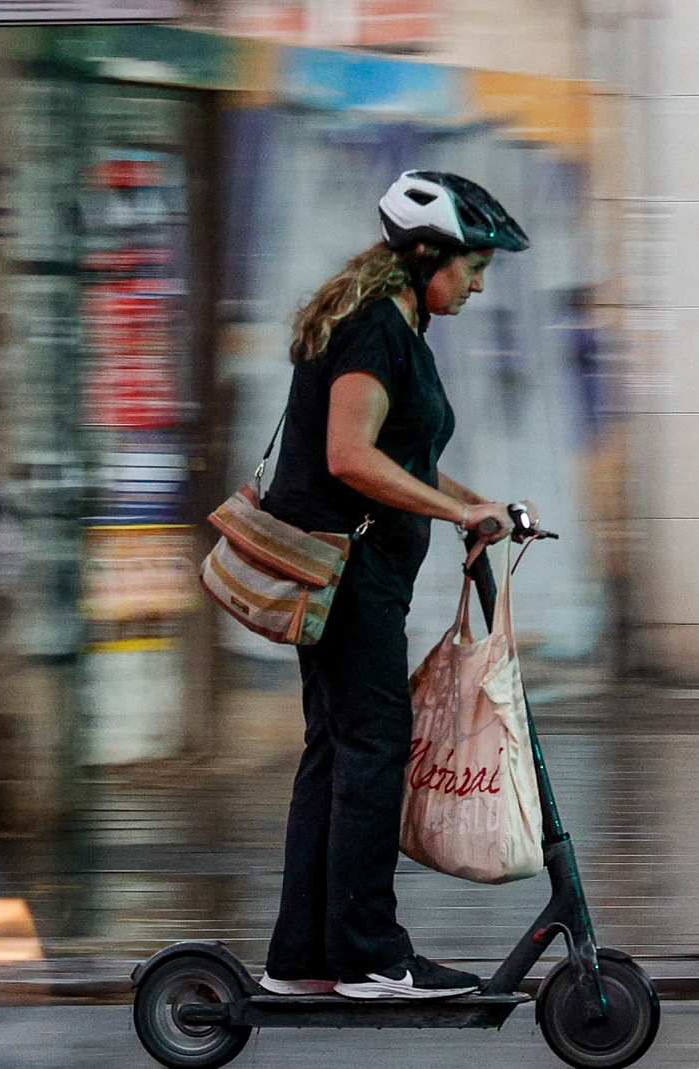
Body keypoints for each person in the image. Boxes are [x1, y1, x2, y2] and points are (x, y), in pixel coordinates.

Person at [258, 171, 531, 1000]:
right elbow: (350, 455)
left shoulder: (397, 322)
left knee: (337, 751)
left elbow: (400, 457)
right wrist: (454, 513)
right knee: (372, 749)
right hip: (348, 574)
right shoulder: (376, 329)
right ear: (424, 255)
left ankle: (302, 955)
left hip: (352, 570)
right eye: (473, 265)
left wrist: (468, 504)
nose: (480, 283)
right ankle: (371, 954)